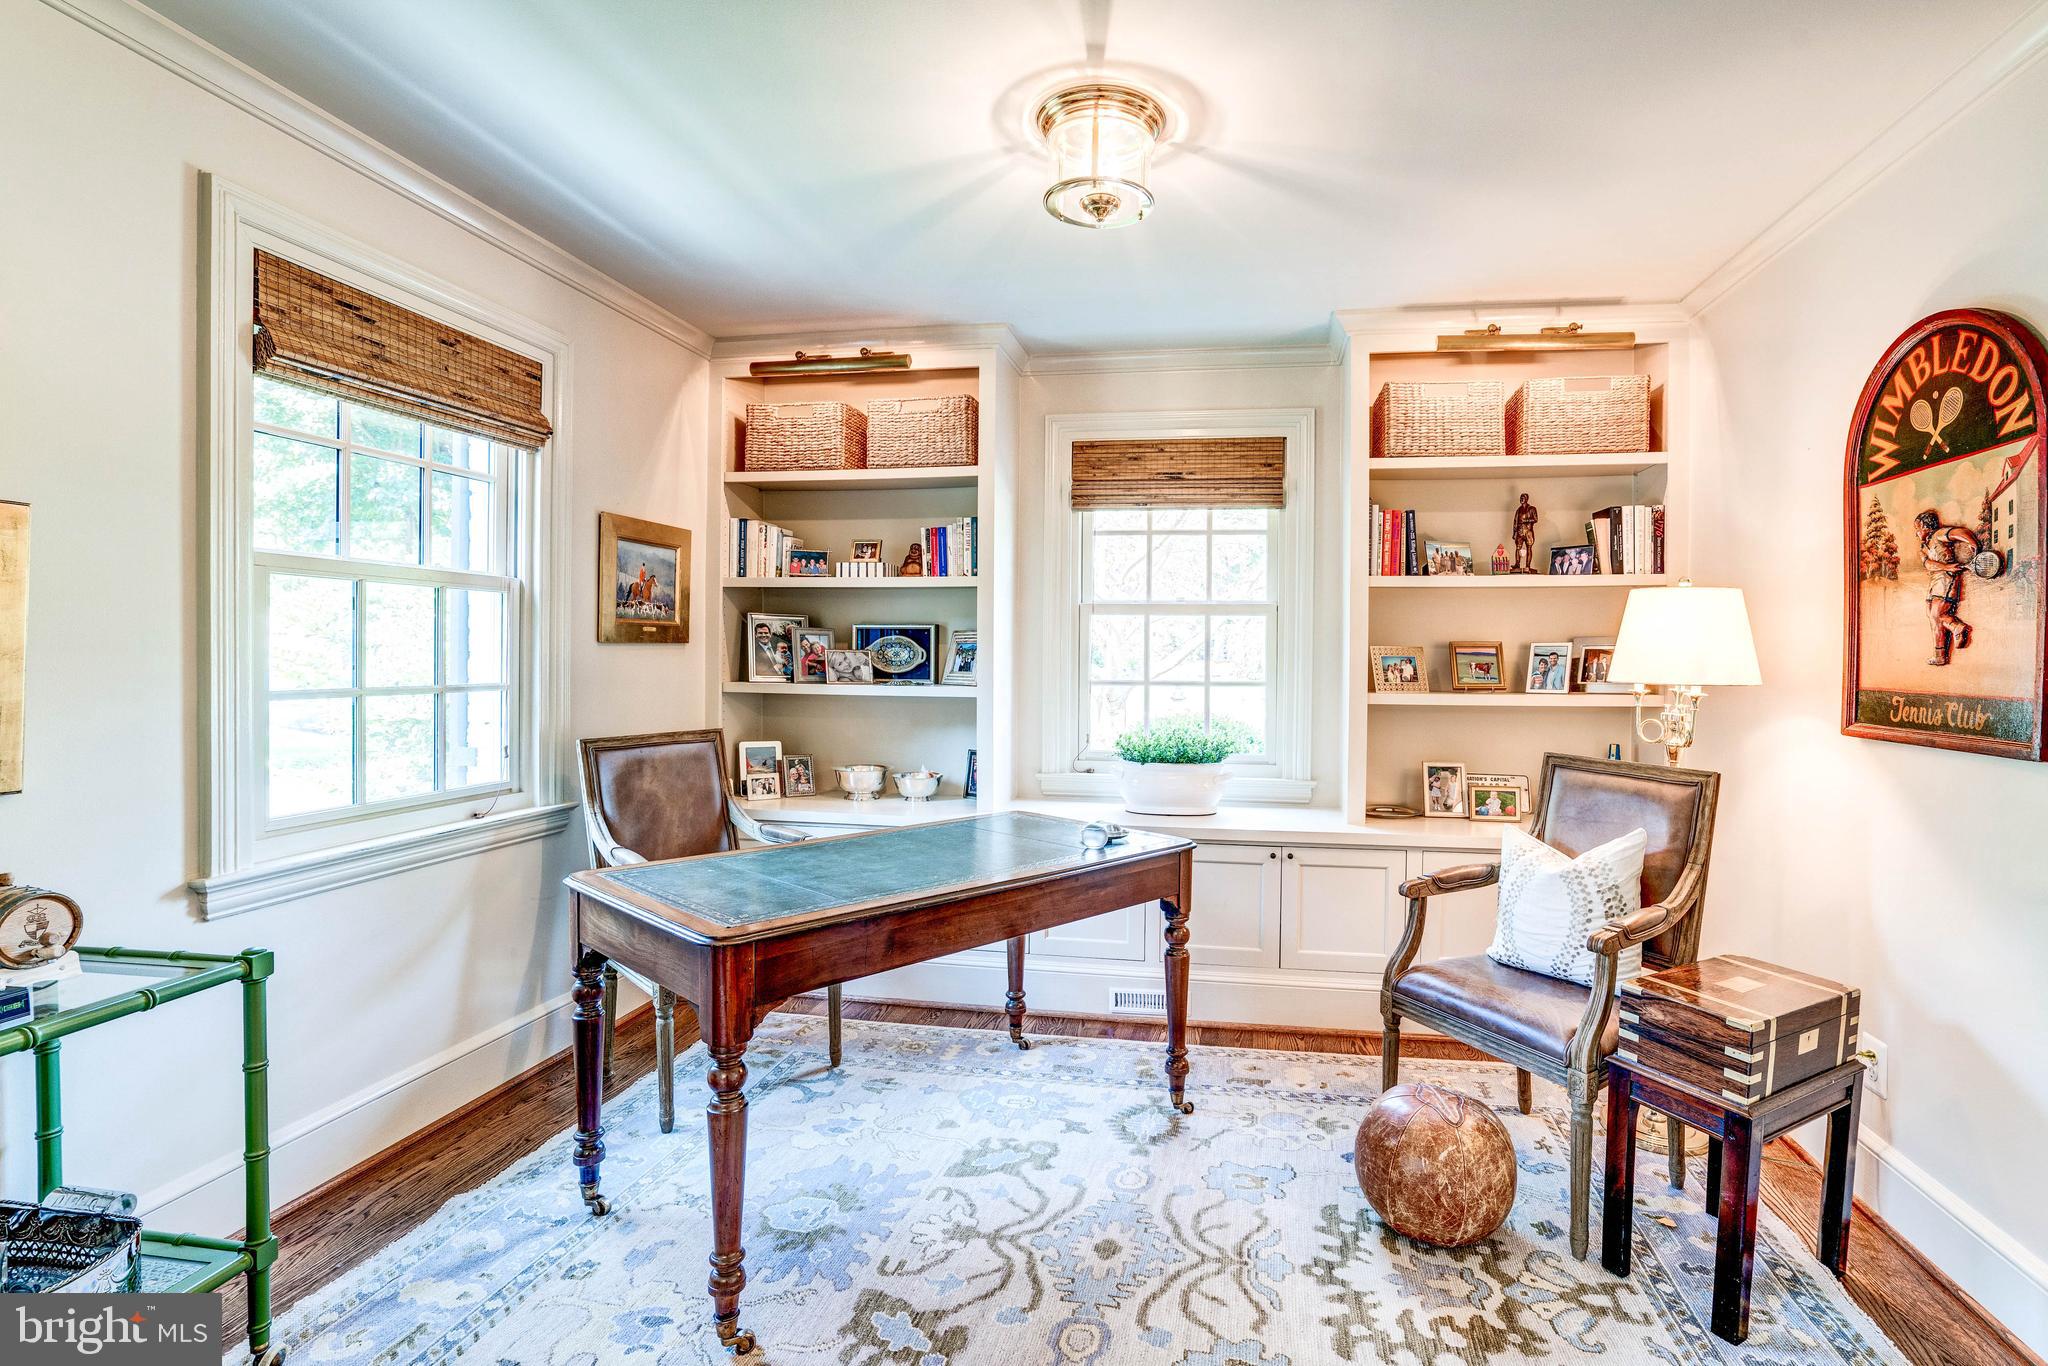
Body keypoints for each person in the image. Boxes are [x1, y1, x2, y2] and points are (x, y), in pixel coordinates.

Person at [1916, 509, 1978, 666]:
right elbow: (1928, 564)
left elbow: (1959, 532)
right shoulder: (1924, 548)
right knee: (1932, 616)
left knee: (1937, 614)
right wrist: (1945, 566)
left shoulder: (1938, 535)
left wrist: (1972, 543)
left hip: (1946, 579)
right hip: (1935, 581)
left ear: (1926, 526)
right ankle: (1941, 653)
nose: (1916, 533)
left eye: (1918, 528)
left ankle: (1957, 628)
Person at [1511, 494, 1539, 573]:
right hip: (1520, 532)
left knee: (1529, 548)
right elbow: (1515, 522)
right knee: (1518, 548)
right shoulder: (1518, 510)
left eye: (1523, 498)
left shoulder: (1532, 509)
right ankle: (1517, 564)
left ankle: (1528, 565)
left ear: (1526, 499)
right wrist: (1514, 532)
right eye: (1520, 498)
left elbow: (1535, 519)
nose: (1521, 499)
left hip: (1528, 532)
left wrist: (1526, 520)